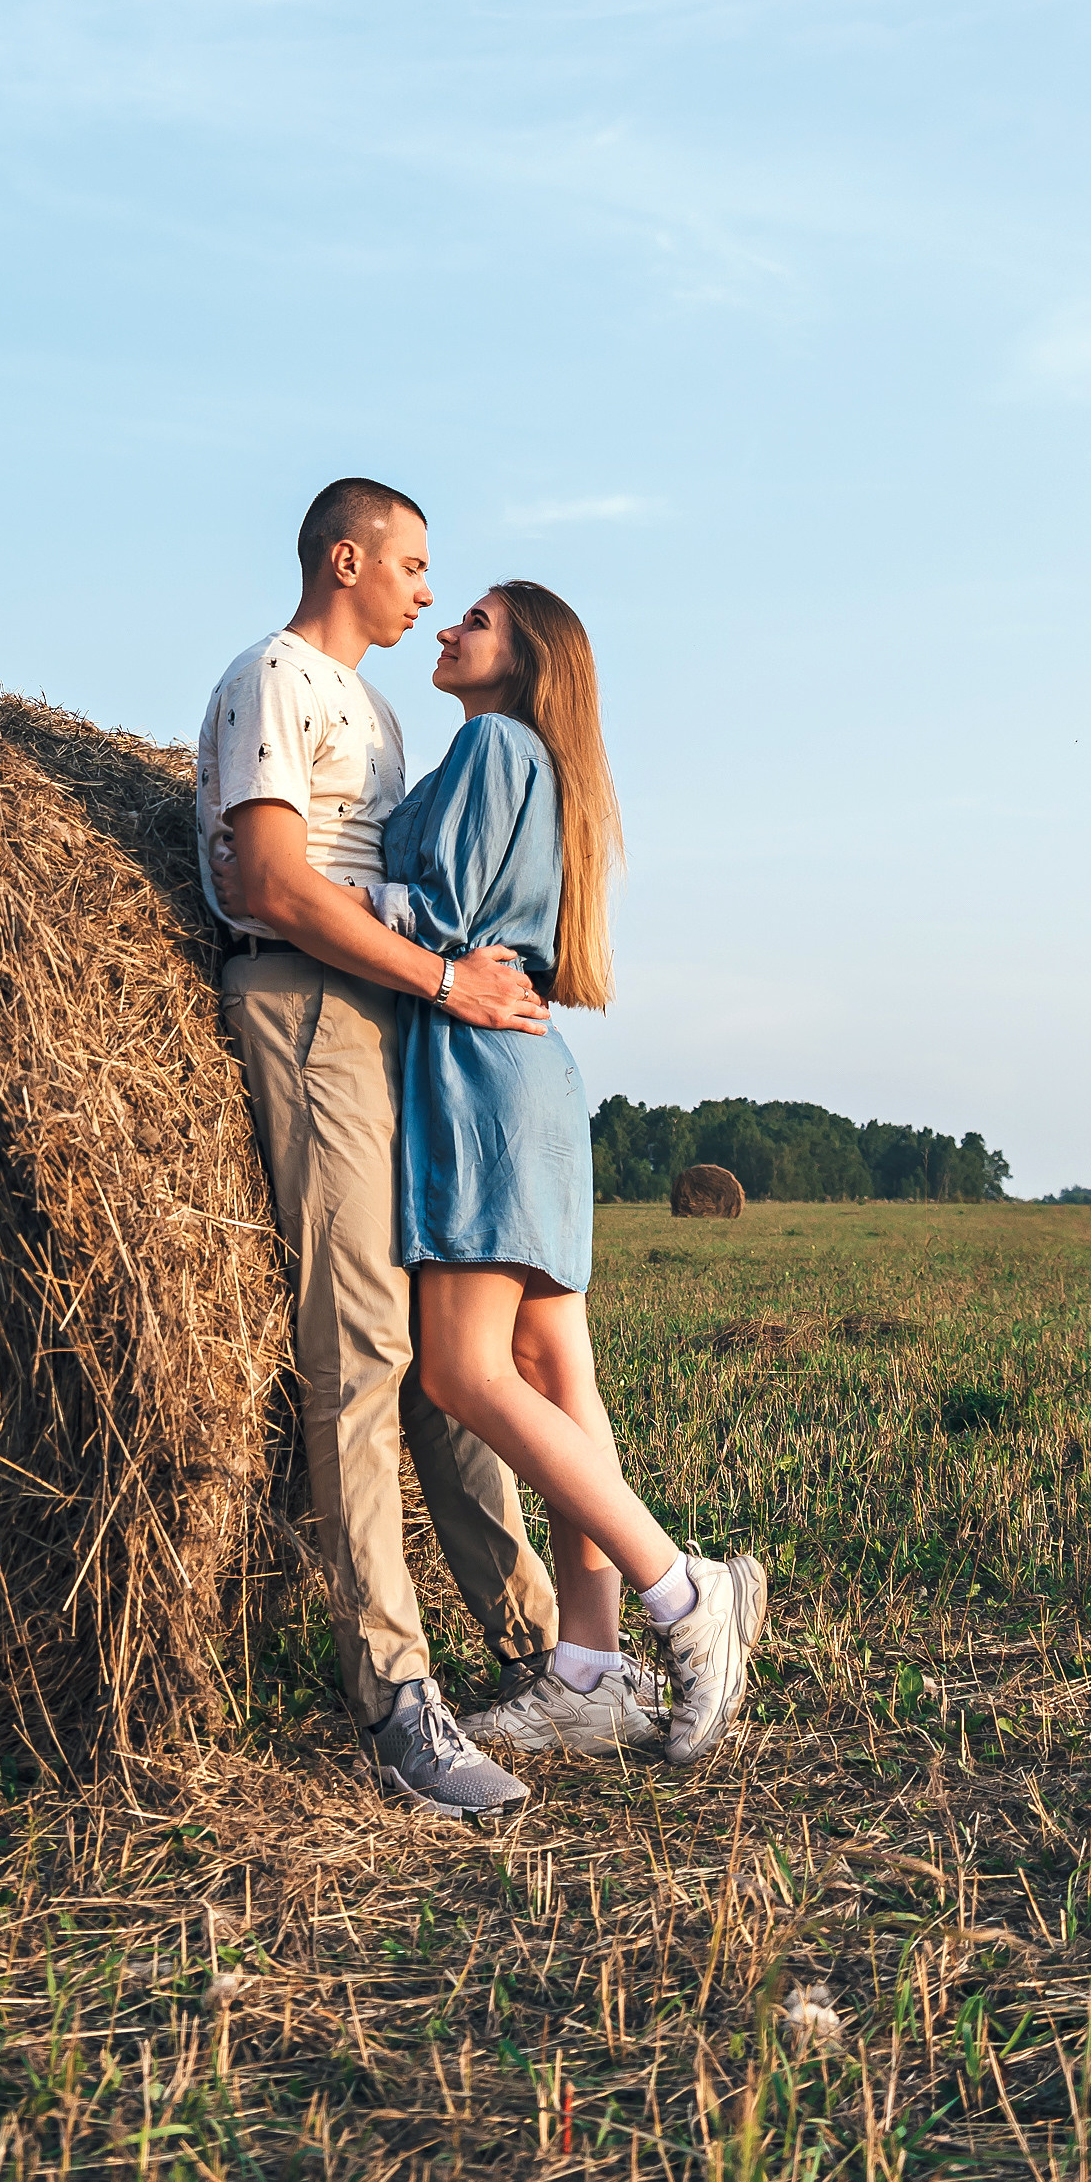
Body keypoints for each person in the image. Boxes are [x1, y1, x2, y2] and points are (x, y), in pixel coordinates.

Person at [198, 481, 562, 1820]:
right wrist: (448, 980)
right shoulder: (272, 679)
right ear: (344, 558)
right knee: (360, 1344)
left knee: (443, 1355)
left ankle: (540, 1646)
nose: (424, 588)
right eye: (411, 564)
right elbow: (273, 884)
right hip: (308, 1000)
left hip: (393, 1010)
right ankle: (396, 1701)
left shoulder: (386, 714)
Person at [376, 581, 769, 1770]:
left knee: (459, 1368)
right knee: (556, 1376)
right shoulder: (529, 762)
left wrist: (298, 887)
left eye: (475, 619)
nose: (445, 627)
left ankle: (681, 1590)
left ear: (529, 657)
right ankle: (589, 1670)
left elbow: (437, 915)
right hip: (535, 1078)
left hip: (479, 1076)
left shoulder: (496, 742)